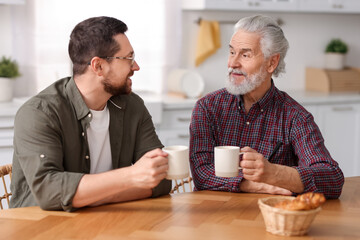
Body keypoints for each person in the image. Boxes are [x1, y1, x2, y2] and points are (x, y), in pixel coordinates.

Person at [10, 16, 171, 212]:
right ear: (98, 66)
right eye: (128, 58)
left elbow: (161, 179)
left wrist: (88, 197)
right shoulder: (39, 113)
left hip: (108, 223)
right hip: (42, 227)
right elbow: (48, 191)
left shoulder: (132, 106)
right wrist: (130, 177)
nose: (135, 66)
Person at [189, 15, 344, 199]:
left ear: (272, 62)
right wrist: (255, 185)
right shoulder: (208, 108)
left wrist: (273, 173)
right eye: (232, 52)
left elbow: (332, 178)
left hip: (270, 220)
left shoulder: (295, 117)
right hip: (213, 219)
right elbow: (201, 173)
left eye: (245, 55)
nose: (232, 63)